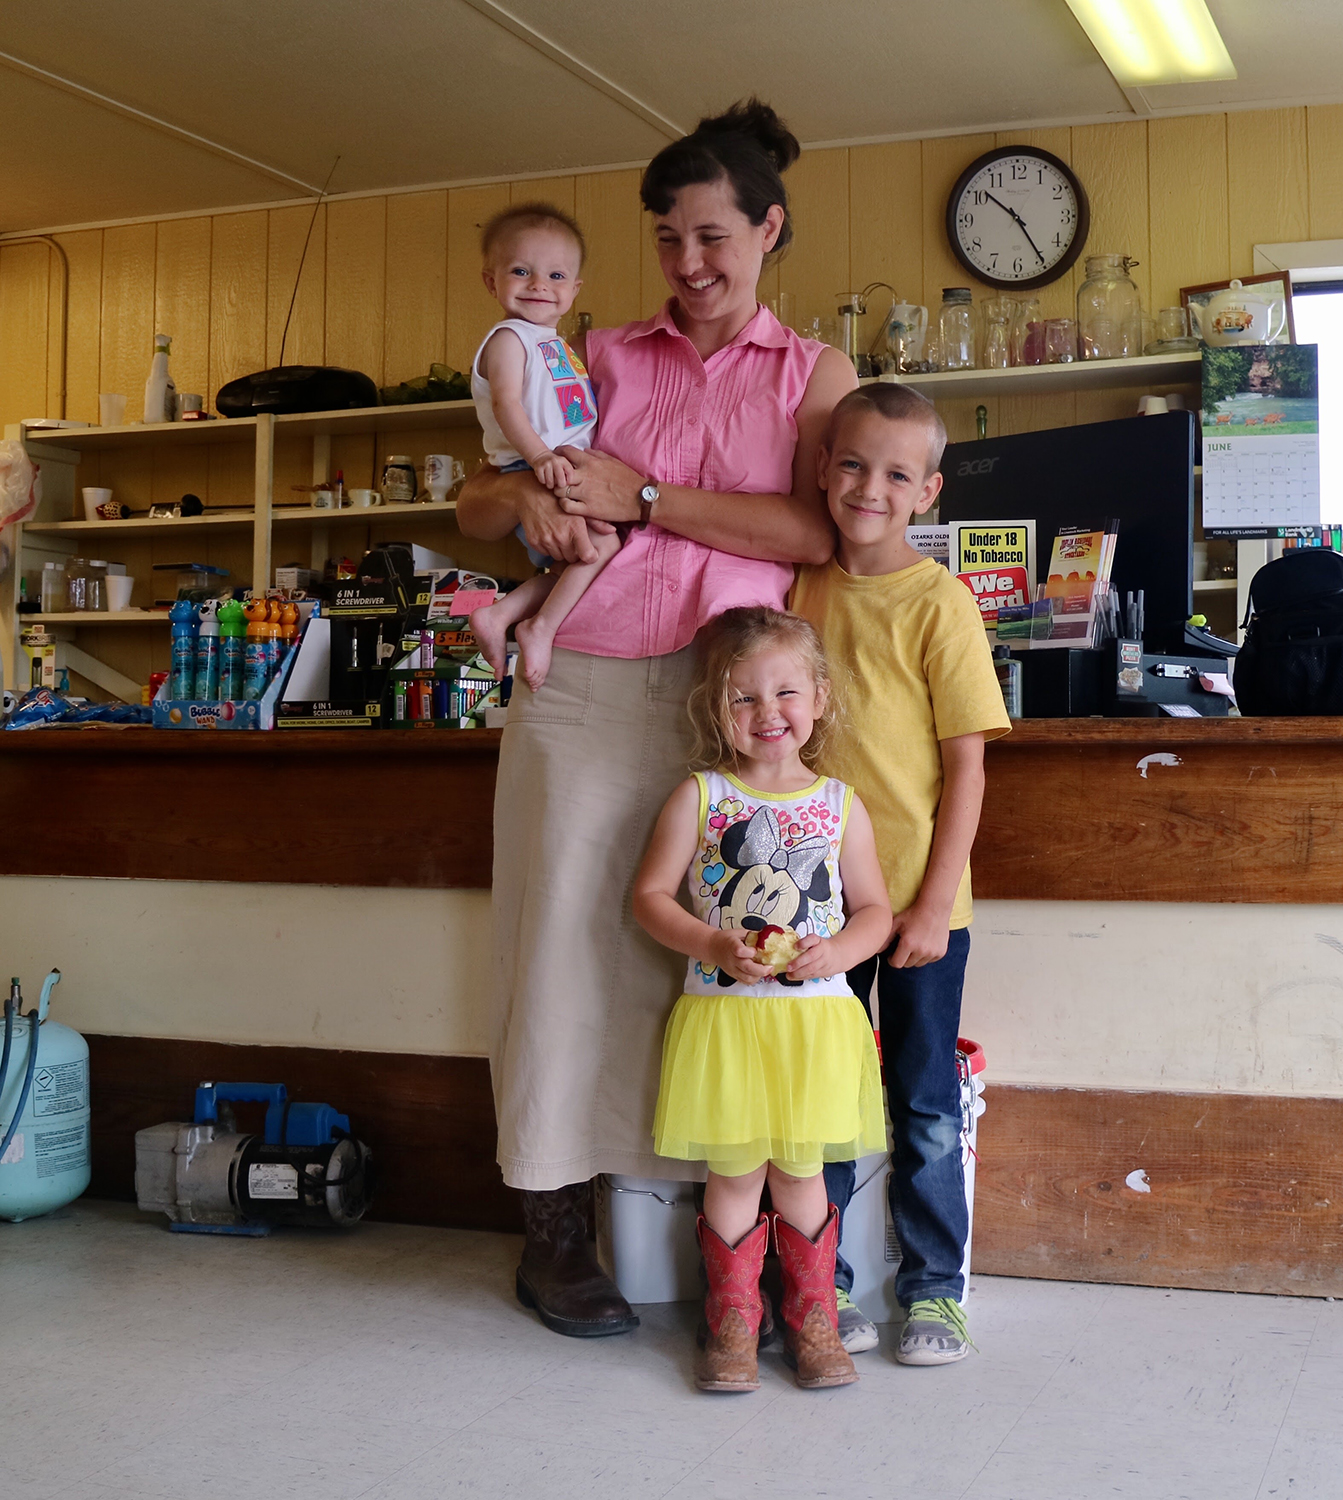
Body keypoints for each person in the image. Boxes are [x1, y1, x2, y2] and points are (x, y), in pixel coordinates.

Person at [455, 99, 857, 1341]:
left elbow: (815, 530)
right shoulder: (601, 352)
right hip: (583, 679)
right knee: (560, 950)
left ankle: (719, 1238)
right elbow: (476, 497)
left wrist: (651, 496)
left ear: (767, 229)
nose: (688, 264)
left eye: (712, 237)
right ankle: (554, 1233)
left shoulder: (813, 373)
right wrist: (525, 498)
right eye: (667, 239)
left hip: (731, 707)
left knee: (714, 961)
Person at [790, 383, 1010, 1365]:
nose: (867, 488)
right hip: (819, 906)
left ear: (928, 492)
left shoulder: (940, 603)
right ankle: (820, 1287)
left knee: (922, 1103)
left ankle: (935, 1291)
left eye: (894, 473)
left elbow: (968, 768)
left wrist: (930, 905)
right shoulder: (798, 588)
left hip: (923, 907)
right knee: (825, 1100)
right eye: (850, 464)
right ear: (821, 469)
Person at [634, 607, 891, 1392]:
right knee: (736, 1174)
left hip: (815, 1025)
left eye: (785, 693)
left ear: (819, 699)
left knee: (802, 1174)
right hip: (726, 1024)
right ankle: (734, 1325)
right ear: (718, 707)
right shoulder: (700, 796)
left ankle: (814, 1319)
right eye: (743, 697)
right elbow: (649, 897)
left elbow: (875, 913)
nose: (766, 712)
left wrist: (838, 950)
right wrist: (712, 944)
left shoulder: (841, 804)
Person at [464, 204, 621, 692]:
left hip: (560, 468)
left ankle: (501, 615)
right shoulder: (508, 339)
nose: (538, 284)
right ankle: (539, 627)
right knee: (601, 547)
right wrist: (539, 458)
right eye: (520, 271)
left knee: (580, 560)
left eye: (556, 275)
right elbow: (507, 405)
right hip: (532, 467)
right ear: (491, 282)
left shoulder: (553, 342)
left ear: (574, 290)